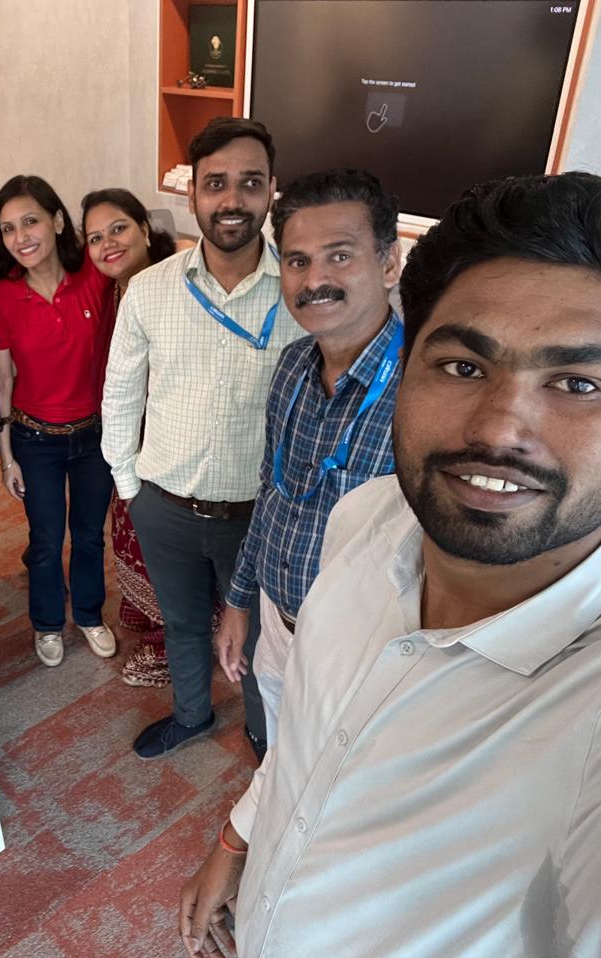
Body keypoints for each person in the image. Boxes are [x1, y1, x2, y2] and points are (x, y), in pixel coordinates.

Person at [178, 172, 601, 958]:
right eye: (462, 367)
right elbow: (315, 732)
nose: (499, 428)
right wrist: (239, 837)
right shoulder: (367, 520)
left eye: (576, 383)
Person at [101, 117, 303, 761]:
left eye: (250, 183)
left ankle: (265, 735)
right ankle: (191, 715)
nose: (232, 199)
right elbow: (120, 394)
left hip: (262, 516)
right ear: (192, 194)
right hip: (166, 506)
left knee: (266, 639)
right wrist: (130, 489)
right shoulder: (150, 289)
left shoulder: (302, 293)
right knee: (184, 625)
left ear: (271, 190)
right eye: (215, 184)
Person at [213, 169, 404, 755]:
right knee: (280, 757)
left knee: (344, 783)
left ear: (390, 264)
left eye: (339, 256)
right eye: (298, 261)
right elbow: (271, 492)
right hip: (278, 622)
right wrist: (240, 601)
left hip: (363, 654)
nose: (315, 279)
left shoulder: (426, 394)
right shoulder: (294, 365)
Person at [0, 176, 117, 667]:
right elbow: (2, 381)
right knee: (45, 540)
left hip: (94, 435)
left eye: (30, 221)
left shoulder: (96, 278)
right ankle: (48, 623)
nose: (21, 237)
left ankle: (89, 613)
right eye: (8, 229)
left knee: (89, 535)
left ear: (58, 221)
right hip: (35, 439)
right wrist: (7, 457)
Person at [81, 188, 180, 687]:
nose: (108, 244)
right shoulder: (110, 292)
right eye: (95, 238)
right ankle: (144, 610)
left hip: (167, 438)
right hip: (126, 434)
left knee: (157, 536)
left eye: (118, 228)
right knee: (125, 525)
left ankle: (172, 642)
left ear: (145, 228)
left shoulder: (175, 288)